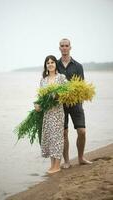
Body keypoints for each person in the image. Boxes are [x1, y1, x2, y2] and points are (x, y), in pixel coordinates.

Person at [57, 38, 92, 168]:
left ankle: (81, 158)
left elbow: (82, 87)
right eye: (62, 46)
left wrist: (79, 102)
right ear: (59, 48)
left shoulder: (78, 66)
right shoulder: (55, 64)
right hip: (60, 105)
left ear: (70, 47)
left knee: (82, 131)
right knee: (64, 133)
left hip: (76, 104)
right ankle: (66, 161)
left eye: (67, 46)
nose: (65, 48)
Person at [34, 55, 67, 174]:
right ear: (46, 66)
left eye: (52, 62)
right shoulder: (43, 80)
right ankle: (52, 165)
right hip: (47, 113)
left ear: (55, 64)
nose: (50, 64)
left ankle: (57, 165)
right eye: (48, 63)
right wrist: (38, 105)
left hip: (57, 112)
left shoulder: (61, 77)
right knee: (49, 137)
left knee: (57, 137)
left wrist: (59, 96)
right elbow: (41, 96)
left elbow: (67, 93)